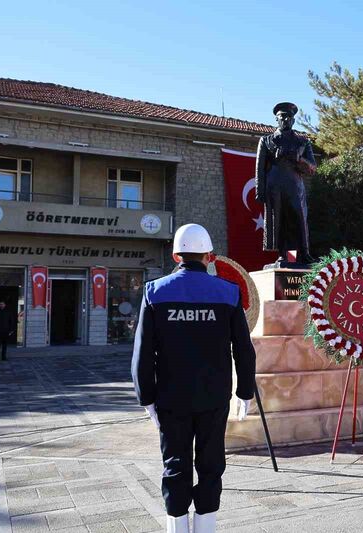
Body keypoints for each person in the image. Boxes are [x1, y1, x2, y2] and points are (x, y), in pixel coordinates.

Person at [131, 224, 256, 533]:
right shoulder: (229, 293)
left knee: (175, 464)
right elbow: (244, 349)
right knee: (211, 464)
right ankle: (206, 528)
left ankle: (177, 528)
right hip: (214, 397)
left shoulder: (155, 292)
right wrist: (244, 392)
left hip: (171, 398)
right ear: (209, 256)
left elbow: (142, 355)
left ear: (176, 255)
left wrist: (146, 398)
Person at [255, 102, 317, 267]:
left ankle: (303, 254)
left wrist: (297, 158)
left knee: (298, 221)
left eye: (289, 116)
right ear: (276, 119)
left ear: (293, 121)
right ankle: (285, 256)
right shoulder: (267, 140)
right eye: (282, 116)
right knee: (280, 223)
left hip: (295, 187)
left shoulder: (302, 142)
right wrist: (259, 191)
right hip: (275, 187)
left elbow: (312, 168)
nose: (286, 119)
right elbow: (260, 168)